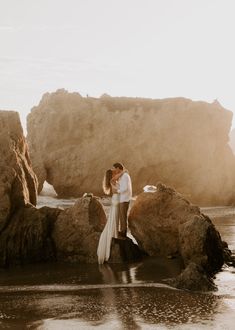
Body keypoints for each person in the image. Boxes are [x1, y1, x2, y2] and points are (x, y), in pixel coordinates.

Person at [97, 168, 123, 264]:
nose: (115, 173)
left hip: (116, 200)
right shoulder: (112, 181)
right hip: (116, 200)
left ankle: (115, 233)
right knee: (115, 218)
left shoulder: (114, 180)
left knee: (115, 218)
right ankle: (114, 234)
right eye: (113, 173)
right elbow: (119, 190)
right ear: (111, 175)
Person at [112, 162, 132, 238]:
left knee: (123, 216)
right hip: (122, 199)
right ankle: (122, 231)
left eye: (114, 168)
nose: (114, 170)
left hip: (125, 199)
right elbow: (120, 186)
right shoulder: (122, 176)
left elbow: (125, 188)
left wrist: (118, 191)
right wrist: (115, 184)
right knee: (121, 216)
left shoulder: (125, 176)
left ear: (118, 168)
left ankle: (124, 233)